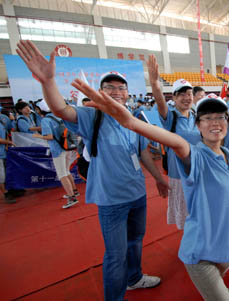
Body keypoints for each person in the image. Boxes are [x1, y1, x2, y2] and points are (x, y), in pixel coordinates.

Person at [16, 40, 170, 301]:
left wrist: (158, 179)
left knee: (136, 241)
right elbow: (60, 109)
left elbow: (142, 151)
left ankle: (134, 278)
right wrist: (47, 81)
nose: (117, 91)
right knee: (115, 255)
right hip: (111, 200)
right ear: (100, 91)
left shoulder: (132, 118)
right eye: (110, 87)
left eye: (121, 88)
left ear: (128, 93)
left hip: (137, 194)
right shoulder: (91, 116)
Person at [73, 86, 229, 301]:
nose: (215, 122)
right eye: (207, 118)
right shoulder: (195, 154)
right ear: (197, 125)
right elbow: (171, 140)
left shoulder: (228, 155)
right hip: (201, 253)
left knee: (217, 292)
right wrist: (130, 121)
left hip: (226, 247)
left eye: (220, 117)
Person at [147, 55, 201, 230]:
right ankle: (189, 249)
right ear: (175, 97)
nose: (187, 97)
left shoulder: (196, 116)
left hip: (199, 171)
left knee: (199, 212)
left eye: (189, 93)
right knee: (186, 216)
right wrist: (155, 84)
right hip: (179, 174)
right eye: (182, 94)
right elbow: (160, 102)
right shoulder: (170, 117)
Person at [32, 100, 80, 209]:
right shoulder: (58, 117)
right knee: (66, 171)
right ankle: (74, 191)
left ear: (40, 110)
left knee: (62, 174)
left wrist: (38, 136)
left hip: (57, 149)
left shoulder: (45, 120)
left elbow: (49, 136)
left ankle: (72, 197)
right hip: (67, 147)